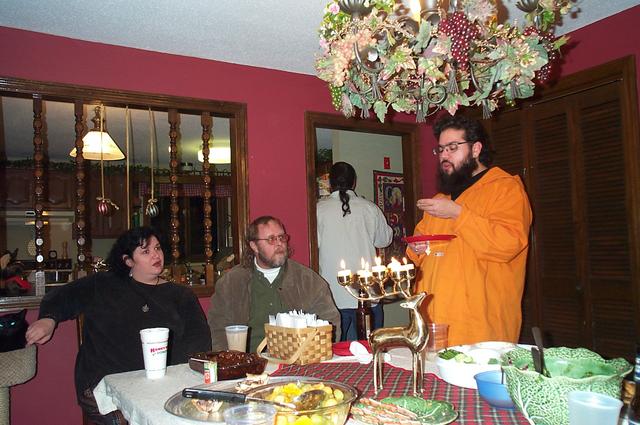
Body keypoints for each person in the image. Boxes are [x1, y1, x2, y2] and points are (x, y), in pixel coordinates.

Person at [25, 227, 211, 425]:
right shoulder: (103, 285)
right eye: (145, 251)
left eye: (157, 248)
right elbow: (63, 296)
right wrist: (48, 319)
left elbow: (198, 338)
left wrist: (185, 375)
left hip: (164, 384)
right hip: (104, 383)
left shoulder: (181, 295)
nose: (156, 255)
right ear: (128, 260)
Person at [406, 115, 532, 347]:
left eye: (453, 147)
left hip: (480, 328)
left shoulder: (505, 188)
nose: (444, 155)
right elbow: (418, 254)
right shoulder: (440, 200)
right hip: (433, 324)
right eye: (441, 149)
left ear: (476, 149)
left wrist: (458, 214)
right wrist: (415, 249)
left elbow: (508, 245)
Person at [208, 216, 341, 352]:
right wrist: (230, 359)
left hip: (297, 360)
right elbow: (217, 328)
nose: (279, 244)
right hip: (247, 360)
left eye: (281, 237)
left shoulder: (308, 280)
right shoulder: (231, 282)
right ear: (254, 246)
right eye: (271, 239)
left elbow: (330, 323)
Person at [316, 161, 393, 341]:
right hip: (367, 294)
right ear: (354, 182)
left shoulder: (318, 209)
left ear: (329, 183)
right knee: (371, 350)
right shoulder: (369, 208)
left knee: (336, 353)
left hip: (333, 295)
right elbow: (384, 240)